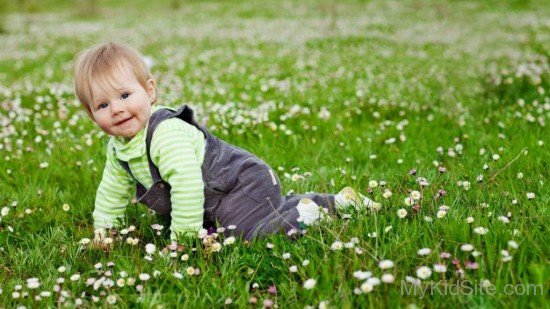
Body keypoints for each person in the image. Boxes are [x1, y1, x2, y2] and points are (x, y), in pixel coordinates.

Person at [73, 42, 379, 243]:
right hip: (216, 200)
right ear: (91, 114)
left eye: (125, 95)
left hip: (240, 183)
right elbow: (111, 192)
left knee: (248, 234)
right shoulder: (119, 150)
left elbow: (188, 185)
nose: (117, 108)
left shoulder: (164, 135)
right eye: (102, 105)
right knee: (228, 227)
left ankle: (309, 214)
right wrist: (104, 231)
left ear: (149, 91)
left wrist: (183, 239)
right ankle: (331, 201)